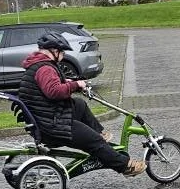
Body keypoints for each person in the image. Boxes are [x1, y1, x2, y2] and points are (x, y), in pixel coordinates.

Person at [17, 31, 146, 177]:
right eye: (62, 52)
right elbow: (54, 92)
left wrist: (72, 83)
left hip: (47, 119)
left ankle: (99, 135)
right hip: (54, 126)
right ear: (54, 51)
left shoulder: (39, 65)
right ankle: (125, 166)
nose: (63, 55)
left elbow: (50, 86)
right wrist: (75, 85)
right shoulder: (45, 68)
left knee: (79, 104)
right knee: (94, 142)